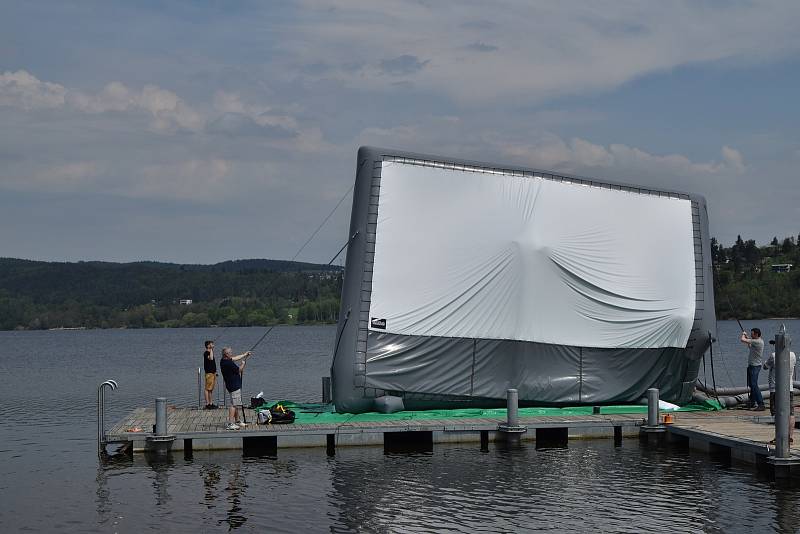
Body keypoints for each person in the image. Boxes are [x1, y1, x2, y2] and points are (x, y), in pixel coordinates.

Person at [764, 346, 796, 443]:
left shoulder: (774, 355)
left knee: (776, 414)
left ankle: (778, 437)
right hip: (789, 388)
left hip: (775, 389)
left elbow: (765, 366)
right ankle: (789, 436)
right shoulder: (793, 355)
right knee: (791, 414)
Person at [220, 347, 252, 430]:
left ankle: (237, 421)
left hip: (231, 385)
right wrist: (243, 363)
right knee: (233, 405)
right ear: (226, 354)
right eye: (230, 352)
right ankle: (230, 423)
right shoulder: (228, 363)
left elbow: (234, 358)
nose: (232, 353)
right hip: (234, 385)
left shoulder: (223, 360)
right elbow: (239, 370)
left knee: (236, 403)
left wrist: (245, 354)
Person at [740, 328, 765, 411]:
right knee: (751, 385)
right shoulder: (756, 341)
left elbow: (742, 340)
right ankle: (752, 402)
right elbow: (750, 346)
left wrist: (744, 334)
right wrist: (748, 339)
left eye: (752, 334)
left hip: (755, 366)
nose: (751, 335)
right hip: (752, 366)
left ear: (757, 334)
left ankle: (761, 404)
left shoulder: (758, 341)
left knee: (754, 385)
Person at [202, 340, 218, 409]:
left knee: (211, 389)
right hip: (209, 373)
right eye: (212, 344)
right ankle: (207, 404)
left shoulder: (211, 352)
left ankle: (211, 403)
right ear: (208, 345)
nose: (213, 345)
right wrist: (211, 349)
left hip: (213, 373)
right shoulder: (206, 353)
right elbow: (211, 358)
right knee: (207, 389)